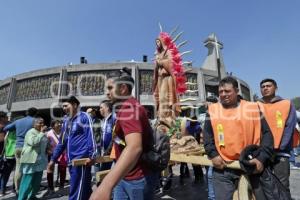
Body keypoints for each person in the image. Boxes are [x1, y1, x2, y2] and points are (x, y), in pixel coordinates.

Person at [203, 77, 274, 200]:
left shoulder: (253, 108)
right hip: (223, 169)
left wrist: (262, 158)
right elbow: (207, 136)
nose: (223, 94)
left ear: (236, 91)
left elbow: (267, 134)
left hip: (251, 165)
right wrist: (213, 154)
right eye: (221, 92)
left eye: (227, 91)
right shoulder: (213, 110)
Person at [90, 71, 156, 200]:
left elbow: (134, 147)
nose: (107, 93)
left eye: (110, 88)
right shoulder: (128, 106)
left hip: (137, 178)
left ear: (123, 88)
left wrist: (105, 186)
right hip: (126, 175)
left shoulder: (128, 108)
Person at [47, 96, 97, 200]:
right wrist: (53, 159)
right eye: (63, 106)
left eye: (66, 105)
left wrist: (92, 156)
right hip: (71, 161)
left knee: (76, 192)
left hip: (82, 160)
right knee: (85, 190)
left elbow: (91, 137)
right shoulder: (66, 120)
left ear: (74, 105)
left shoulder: (84, 117)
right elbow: (62, 142)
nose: (64, 108)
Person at [257, 78, 297, 196]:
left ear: (276, 88)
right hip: (262, 152)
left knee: (282, 184)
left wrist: (280, 147)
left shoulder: (286, 104)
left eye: (268, 86)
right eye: (263, 86)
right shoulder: (256, 105)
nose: (265, 88)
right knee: (264, 185)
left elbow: (289, 127)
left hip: (280, 152)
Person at [153, 32, 186, 127]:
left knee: (166, 98)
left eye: (158, 42)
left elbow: (171, 64)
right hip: (160, 79)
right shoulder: (158, 55)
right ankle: (161, 117)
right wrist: (157, 63)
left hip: (167, 79)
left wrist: (161, 62)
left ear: (162, 42)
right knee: (161, 98)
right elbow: (155, 70)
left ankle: (167, 117)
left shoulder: (168, 52)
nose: (157, 44)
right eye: (156, 43)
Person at [4, 107, 38, 194]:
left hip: (18, 147)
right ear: (35, 113)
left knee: (18, 168)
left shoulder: (18, 121)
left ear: (27, 113)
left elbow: (5, 128)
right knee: (29, 169)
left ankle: (17, 189)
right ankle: (27, 189)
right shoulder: (35, 121)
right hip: (29, 148)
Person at [18, 117, 48, 200]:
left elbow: (45, 143)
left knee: (36, 181)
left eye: (43, 123)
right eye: (39, 123)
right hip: (30, 160)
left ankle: (31, 196)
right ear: (34, 124)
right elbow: (33, 142)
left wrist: (48, 148)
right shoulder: (30, 132)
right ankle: (22, 198)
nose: (42, 124)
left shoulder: (42, 133)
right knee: (27, 180)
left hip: (40, 160)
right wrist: (42, 133)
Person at [45, 120, 66, 196]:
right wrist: (49, 151)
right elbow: (46, 144)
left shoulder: (63, 132)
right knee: (50, 169)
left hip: (63, 154)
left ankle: (61, 186)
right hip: (52, 154)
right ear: (53, 126)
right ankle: (51, 188)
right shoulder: (48, 133)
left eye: (60, 123)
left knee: (62, 169)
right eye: (58, 123)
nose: (60, 124)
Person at [98, 100, 115, 171]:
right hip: (105, 151)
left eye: (101, 107)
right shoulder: (104, 121)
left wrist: (108, 150)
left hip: (113, 152)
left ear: (107, 108)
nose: (100, 110)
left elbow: (116, 137)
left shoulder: (114, 119)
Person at [0, 129, 16, 197]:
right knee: (9, 173)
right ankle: (12, 189)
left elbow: (4, 143)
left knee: (5, 173)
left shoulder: (8, 132)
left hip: (8, 155)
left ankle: (2, 190)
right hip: (12, 155)